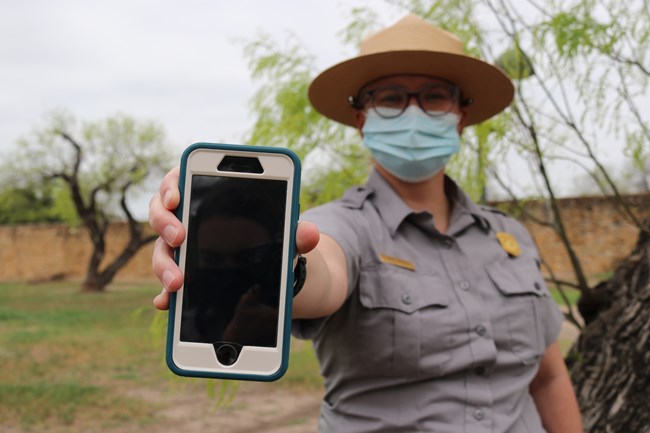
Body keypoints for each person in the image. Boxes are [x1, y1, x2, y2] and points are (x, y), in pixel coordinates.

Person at [149, 14, 584, 433]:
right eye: (391, 99)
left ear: (460, 115)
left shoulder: (511, 237)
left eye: (435, 97)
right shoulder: (344, 224)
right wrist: (288, 270)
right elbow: (323, 268)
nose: (414, 113)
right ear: (362, 119)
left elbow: (546, 378)